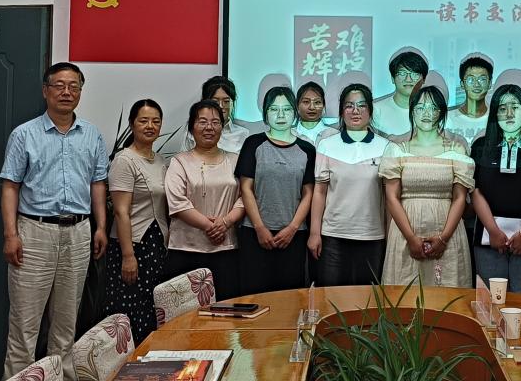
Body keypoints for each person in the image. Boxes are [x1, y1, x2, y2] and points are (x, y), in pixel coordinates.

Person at [0, 62, 108, 381]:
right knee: (25, 328)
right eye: (59, 85)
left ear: (80, 92)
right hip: (34, 233)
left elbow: (98, 184)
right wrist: (10, 234)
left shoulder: (92, 135)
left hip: (78, 232)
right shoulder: (24, 134)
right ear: (46, 90)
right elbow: (10, 186)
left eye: (74, 86)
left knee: (65, 327)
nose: (66, 92)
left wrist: (101, 227)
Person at [380, 85, 474, 287]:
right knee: (405, 296)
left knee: (448, 293)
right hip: (405, 233)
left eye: (433, 108)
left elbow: (460, 198)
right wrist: (411, 238)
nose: (426, 113)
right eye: (421, 107)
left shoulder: (456, 149)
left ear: (441, 113)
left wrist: (443, 238)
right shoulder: (396, 149)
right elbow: (391, 197)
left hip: (447, 232)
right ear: (412, 111)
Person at [470, 85, 521, 296]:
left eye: (514, 107)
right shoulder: (480, 146)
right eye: (502, 108)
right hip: (488, 242)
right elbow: (476, 192)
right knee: (489, 306)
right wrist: (493, 231)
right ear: (494, 113)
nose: (509, 114)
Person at [307, 84, 389, 286]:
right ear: (342, 111)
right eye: (349, 105)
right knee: (331, 297)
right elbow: (319, 192)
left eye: (362, 105)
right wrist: (315, 233)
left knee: (367, 299)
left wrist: (389, 235)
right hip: (333, 235)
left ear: (370, 110)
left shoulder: (385, 147)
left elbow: (389, 197)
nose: (355, 111)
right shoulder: (327, 145)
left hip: (371, 236)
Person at [236, 86, 315, 293]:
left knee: (289, 297)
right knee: (254, 296)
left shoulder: (307, 149)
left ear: (295, 113)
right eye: (274, 109)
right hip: (255, 233)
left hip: (293, 236)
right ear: (265, 113)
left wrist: (292, 228)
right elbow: (246, 188)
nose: (280, 115)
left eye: (287, 109)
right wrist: (260, 228)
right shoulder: (253, 143)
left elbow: (308, 193)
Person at [165, 100, 246, 300]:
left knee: (226, 309)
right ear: (192, 127)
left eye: (215, 122)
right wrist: (210, 227)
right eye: (202, 122)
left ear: (222, 127)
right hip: (185, 249)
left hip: (226, 248)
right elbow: (177, 202)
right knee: (186, 312)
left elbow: (246, 197)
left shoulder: (236, 160)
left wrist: (225, 222)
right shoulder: (179, 161)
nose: (209, 127)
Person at [104, 99, 170, 345]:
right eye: (143, 121)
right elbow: (121, 212)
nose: (150, 126)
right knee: (129, 312)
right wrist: (128, 255)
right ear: (132, 124)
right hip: (132, 245)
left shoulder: (160, 161)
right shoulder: (124, 160)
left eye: (155, 121)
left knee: (151, 310)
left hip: (156, 245)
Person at [182, 76, 250, 153]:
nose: (221, 106)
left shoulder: (243, 134)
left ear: (233, 102)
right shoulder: (194, 130)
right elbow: (184, 158)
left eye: (226, 101)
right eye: (215, 102)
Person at [371, 50, 428, 138]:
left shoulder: (432, 111)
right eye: (402, 73)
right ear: (392, 78)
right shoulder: (376, 111)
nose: (408, 79)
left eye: (414, 74)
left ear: (423, 79)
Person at [444, 56, 493, 149]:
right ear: (462, 84)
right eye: (471, 79)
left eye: (482, 79)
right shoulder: (446, 118)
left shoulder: (496, 119)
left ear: (489, 84)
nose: (476, 84)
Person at [293, 81, 339, 146]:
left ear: (323, 107)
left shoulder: (334, 135)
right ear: (297, 107)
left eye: (317, 102)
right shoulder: (289, 134)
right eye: (306, 102)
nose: (312, 107)